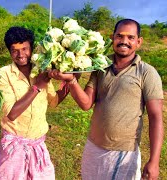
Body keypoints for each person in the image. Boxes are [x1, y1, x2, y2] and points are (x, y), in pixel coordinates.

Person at [55, 19, 164, 179]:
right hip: (94, 147)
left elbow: (156, 117)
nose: (124, 41)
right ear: (113, 37)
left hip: (124, 152)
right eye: (119, 36)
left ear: (138, 42)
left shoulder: (146, 72)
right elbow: (86, 103)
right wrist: (72, 80)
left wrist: (154, 161)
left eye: (130, 37)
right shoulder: (101, 66)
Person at [0, 26, 72, 179]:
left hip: (38, 145)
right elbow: (11, 114)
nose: (21, 55)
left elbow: (54, 101)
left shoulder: (41, 70)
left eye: (25, 49)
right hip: (13, 147)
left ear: (32, 48)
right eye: (15, 50)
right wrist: (37, 87)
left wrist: (72, 79)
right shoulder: (3, 74)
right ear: (9, 52)